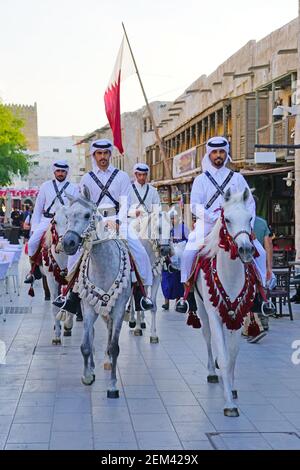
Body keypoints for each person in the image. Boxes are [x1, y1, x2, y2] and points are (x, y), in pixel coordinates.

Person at [54, 139, 154, 312]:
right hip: (93, 223)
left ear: (110, 154)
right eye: (99, 154)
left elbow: (125, 202)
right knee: (74, 256)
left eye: (105, 153)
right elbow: (83, 203)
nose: (103, 157)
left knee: (140, 252)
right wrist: (94, 221)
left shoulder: (122, 176)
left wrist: (117, 221)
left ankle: (141, 294)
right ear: (94, 155)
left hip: (118, 220)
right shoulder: (87, 178)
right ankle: (71, 294)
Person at [177, 136, 265, 311]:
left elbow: (249, 204)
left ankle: (261, 296)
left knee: (260, 253)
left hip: (235, 226)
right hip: (209, 224)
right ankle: (186, 295)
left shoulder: (237, 178)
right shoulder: (200, 180)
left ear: (226, 154)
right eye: (215, 152)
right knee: (188, 253)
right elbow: (195, 205)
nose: (218, 155)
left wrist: (248, 226)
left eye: (222, 152)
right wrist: (213, 218)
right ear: (209, 154)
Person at [24, 160, 79, 284]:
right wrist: (35, 228)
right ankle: (33, 270)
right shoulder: (45, 186)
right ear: (54, 172)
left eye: (63, 171)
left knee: (77, 245)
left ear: (66, 172)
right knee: (32, 242)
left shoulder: (73, 187)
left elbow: (76, 208)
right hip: (47, 220)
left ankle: (77, 270)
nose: (60, 173)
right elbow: (38, 208)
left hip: (65, 222)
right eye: (58, 171)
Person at [161, 208, 188, 310]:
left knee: (178, 280)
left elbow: (188, 240)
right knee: (166, 280)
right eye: (170, 218)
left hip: (180, 258)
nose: (172, 220)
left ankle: (178, 301)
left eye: (174, 218)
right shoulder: (165, 229)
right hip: (168, 257)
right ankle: (166, 301)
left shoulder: (183, 228)